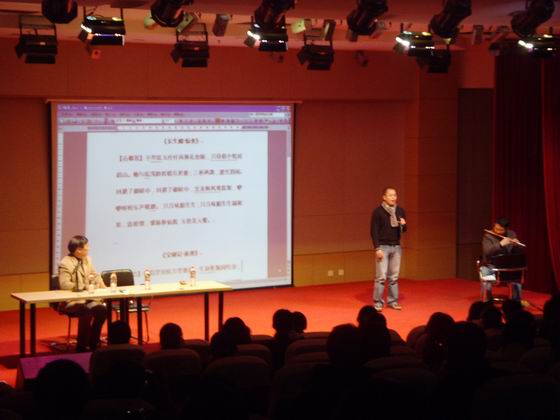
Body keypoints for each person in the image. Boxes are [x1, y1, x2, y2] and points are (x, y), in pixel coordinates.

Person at [58, 235, 107, 352]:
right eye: (86, 246)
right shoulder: (65, 263)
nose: (88, 248)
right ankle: (81, 346)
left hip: (88, 299)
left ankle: (93, 341)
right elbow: (64, 284)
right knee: (86, 311)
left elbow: (95, 275)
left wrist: (105, 288)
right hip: (72, 301)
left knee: (102, 310)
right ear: (78, 250)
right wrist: (83, 286)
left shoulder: (87, 259)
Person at [370, 187, 407, 312]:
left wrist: (404, 224)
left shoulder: (400, 211)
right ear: (384, 197)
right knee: (381, 277)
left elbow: (404, 230)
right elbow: (374, 231)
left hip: (396, 246)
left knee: (394, 277)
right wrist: (377, 248)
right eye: (390, 195)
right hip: (383, 247)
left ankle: (393, 301)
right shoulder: (378, 212)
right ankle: (378, 303)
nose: (393, 197)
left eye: (394, 195)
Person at [480, 217, 524, 302]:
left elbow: (516, 252)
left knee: (516, 280)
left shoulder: (511, 234)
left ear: (506, 229)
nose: (497, 231)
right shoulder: (487, 236)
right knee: (486, 279)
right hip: (490, 264)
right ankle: (487, 302)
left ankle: (515, 302)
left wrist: (517, 245)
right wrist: (500, 244)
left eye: (501, 230)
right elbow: (487, 251)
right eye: (496, 228)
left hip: (506, 265)